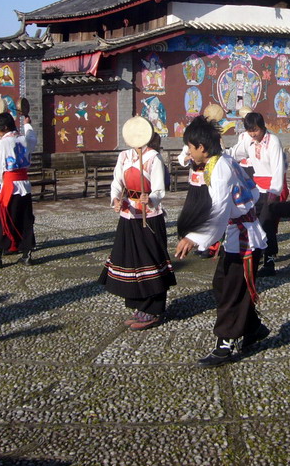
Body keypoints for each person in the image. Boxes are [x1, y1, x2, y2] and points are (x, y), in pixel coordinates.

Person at [175, 115, 269, 367]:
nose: (189, 152)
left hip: (245, 239)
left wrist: (194, 238)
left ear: (202, 148)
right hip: (238, 234)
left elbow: (218, 209)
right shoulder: (220, 161)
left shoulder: (220, 168)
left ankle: (225, 343)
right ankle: (253, 328)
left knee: (229, 290)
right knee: (223, 283)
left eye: (190, 147)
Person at [99, 119, 175, 330]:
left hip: (149, 216)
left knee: (150, 259)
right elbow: (117, 182)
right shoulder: (124, 156)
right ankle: (139, 304)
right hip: (129, 215)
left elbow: (159, 189)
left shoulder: (153, 158)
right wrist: (115, 198)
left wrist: (150, 199)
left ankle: (154, 309)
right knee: (132, 261)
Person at [226, 111, 287, 275]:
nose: (253, 134)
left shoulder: (273, 141)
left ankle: (270, 260)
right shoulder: (249, 140)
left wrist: (274, 193)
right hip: (256, 190)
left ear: (263, 127)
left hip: (271, 190)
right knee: (253, 224)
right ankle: (255, 254)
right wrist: (219, 155)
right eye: (250, 130)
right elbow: (235, 153)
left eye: (256, 130)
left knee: (268, 225)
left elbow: (278, 169)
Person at [0, 111, 36, 267]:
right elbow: (32, 138)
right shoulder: (24, 139)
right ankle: (27, 254)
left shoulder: (2, 143)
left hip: (9, 186)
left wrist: (1, 181)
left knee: (2, 219)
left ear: (3, 128)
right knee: (26, 219)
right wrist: (27, 123)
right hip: (25, 185)